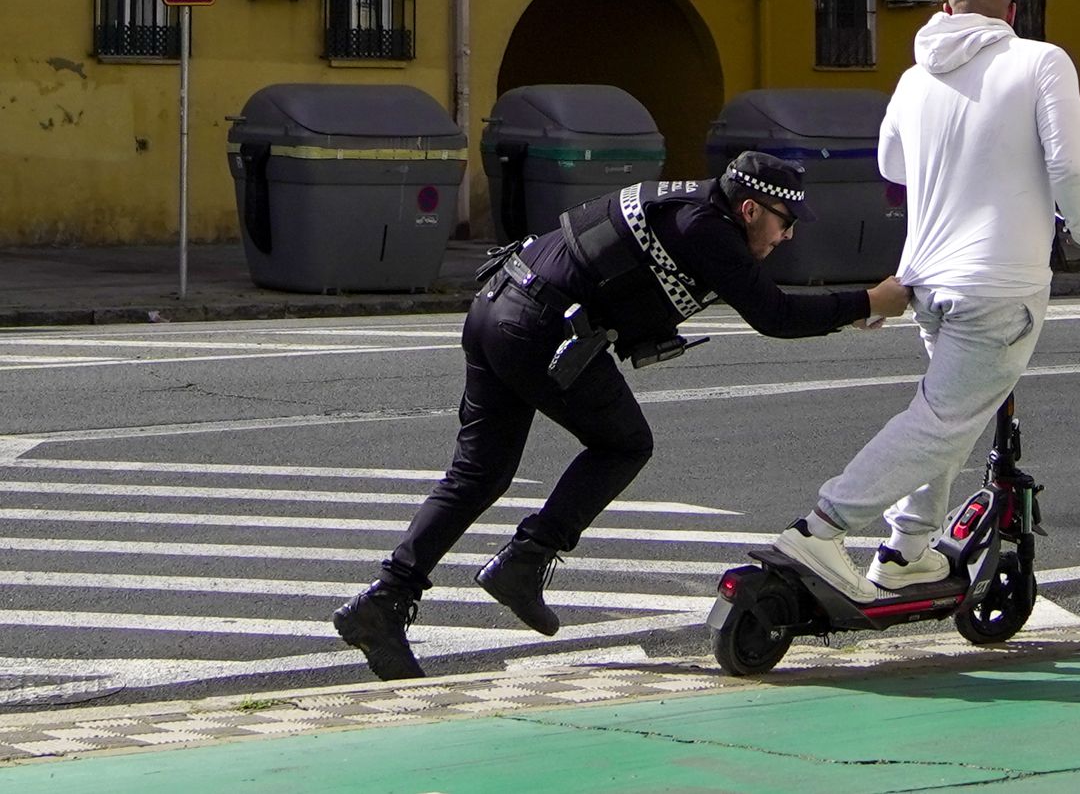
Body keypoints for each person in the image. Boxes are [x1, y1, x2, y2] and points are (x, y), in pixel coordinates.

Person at [334, 151, 911, 680]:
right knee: (624, 444)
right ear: (751, 208)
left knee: (477, 475)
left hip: (497, 307)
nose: (786, 236)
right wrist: (866, 302)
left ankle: (381, 603)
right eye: (784, 222)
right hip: (536, 326)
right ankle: (526, 558)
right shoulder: (706, 229)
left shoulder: (690, 207)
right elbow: (775, 315)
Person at [774, 0, 1080, 601]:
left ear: (947, 7)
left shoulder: (913, 77)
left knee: (948, 414)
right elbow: (1071, 166)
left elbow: (892, 164)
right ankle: (823, 527)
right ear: (1011, 11)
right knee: (942, 419)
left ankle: (907, 551)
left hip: (926, 279)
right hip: (999, 284)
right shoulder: (1042, 61)